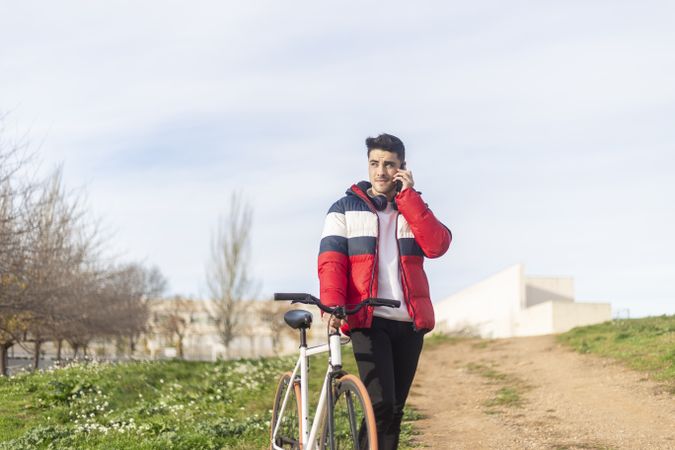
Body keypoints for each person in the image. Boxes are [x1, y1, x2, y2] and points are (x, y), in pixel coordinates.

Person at [318, 133, 452, 449]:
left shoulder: (414, 210)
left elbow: (437, 246)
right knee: (378, 405)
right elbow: (331, 262)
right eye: (374, 163)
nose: (380, 172)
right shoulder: (344, 208)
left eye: (389, 165)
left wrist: (410, 198)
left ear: (401, 169)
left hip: (408, 323)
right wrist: (334, 306)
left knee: (394, 410)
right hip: (368, 318)